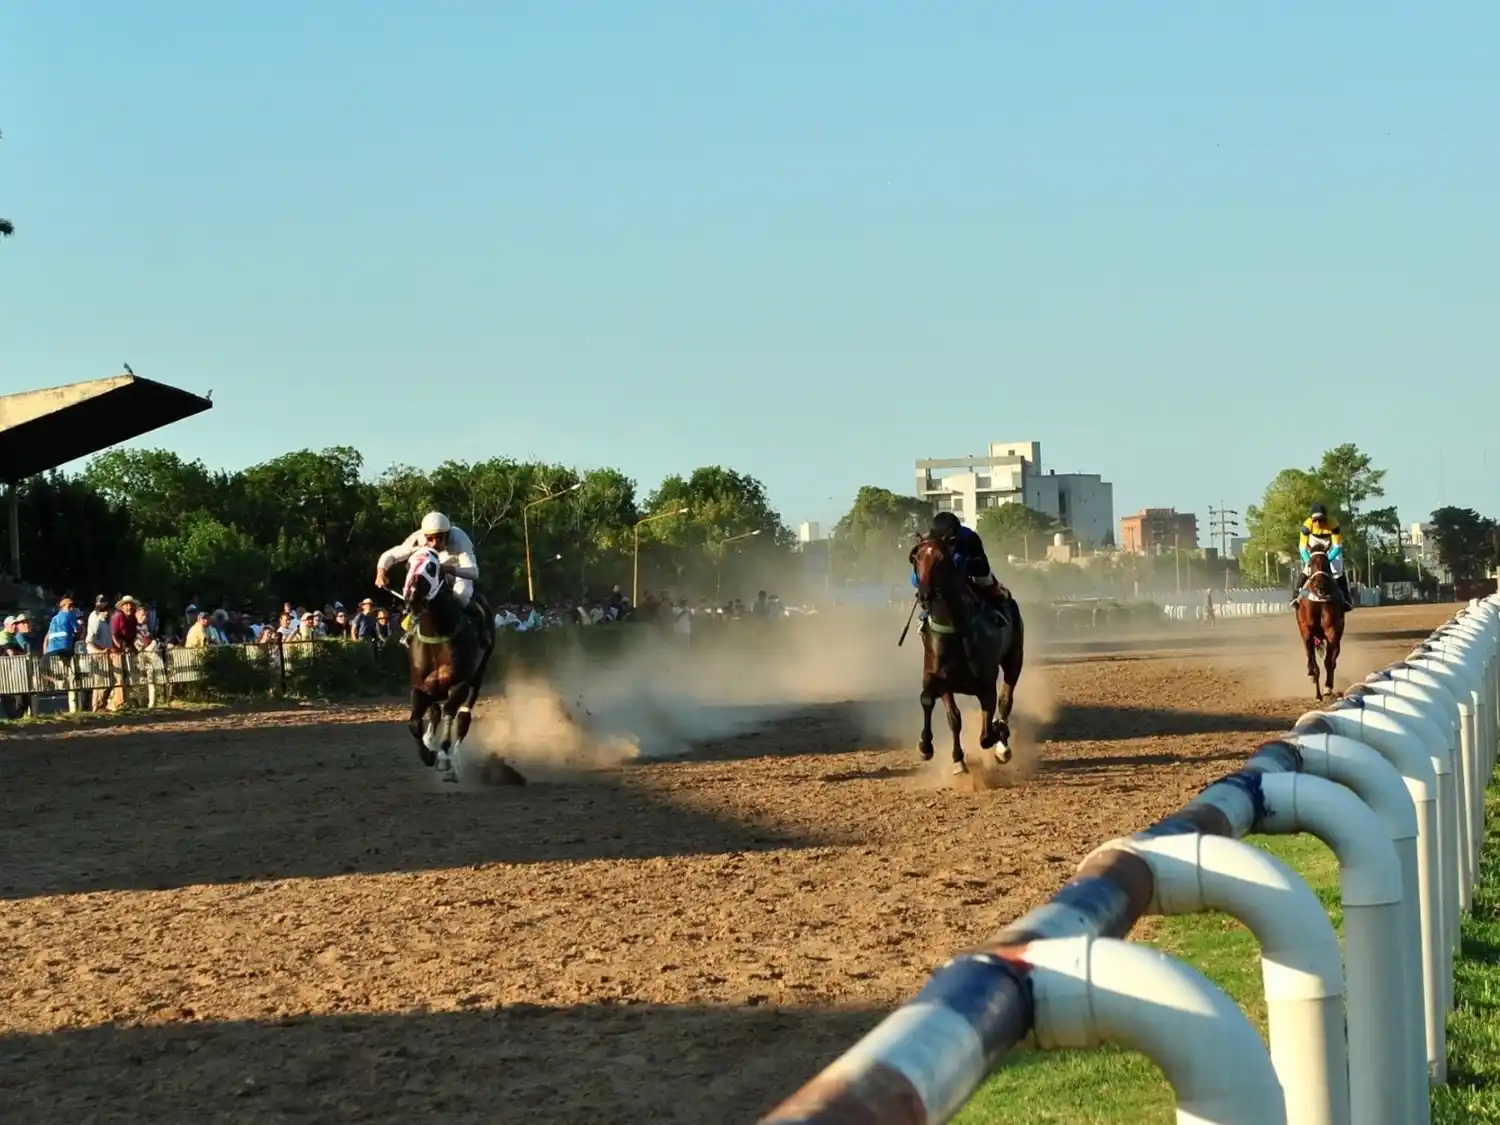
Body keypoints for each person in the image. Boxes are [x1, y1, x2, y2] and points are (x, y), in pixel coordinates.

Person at [375, 511, 491, 641]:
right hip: (432, 576)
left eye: (440, 538)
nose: (435, 543)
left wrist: (450, 569)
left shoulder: (460, 540)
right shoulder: (417, 539)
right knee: (416, 595)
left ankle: (480, 631)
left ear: (447, 535)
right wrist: (381, 573)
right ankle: (411, 628)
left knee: (461, 595)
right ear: (425, 536)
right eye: (430, 538)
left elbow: (473, 572)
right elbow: (392, 555)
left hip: (456, 573)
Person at [916, 511, 1012, 618]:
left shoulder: (970, 537)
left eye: (953, 540)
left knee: (985, 581)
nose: (951, 544)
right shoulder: (928, 542)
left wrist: (963, 567)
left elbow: (983, 567)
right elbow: (916, 575)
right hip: (942, 576)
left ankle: (1000, 609)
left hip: (969, 572)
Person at [1291, 503, 1353, 609]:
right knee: (1306, 570)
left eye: (1321, 519)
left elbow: (1337, 547)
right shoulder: (1306, 526)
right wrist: (1309, 561)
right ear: (1311, 519)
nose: (1318, 522)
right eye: (1315, 520)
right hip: (1313, 545)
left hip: (1331, 548)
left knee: (1337, 570)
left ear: (1326, 518)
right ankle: (1295, 596)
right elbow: (1302, 548)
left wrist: (1326, 560)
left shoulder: (1333, 525)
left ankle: (1346, 599)